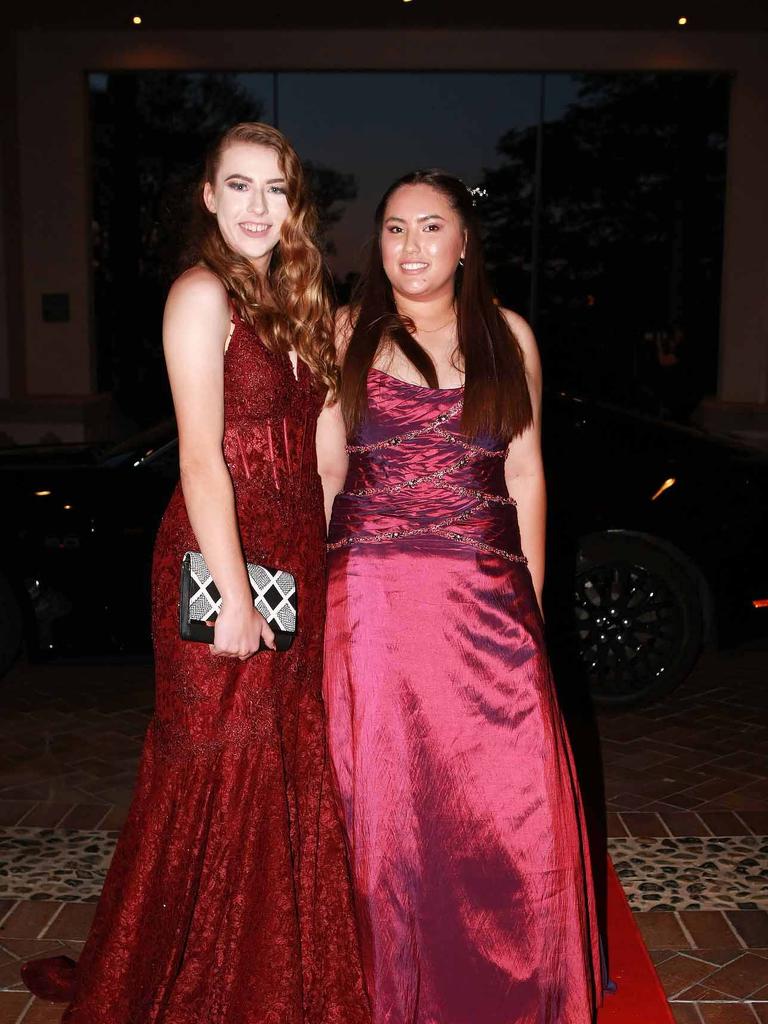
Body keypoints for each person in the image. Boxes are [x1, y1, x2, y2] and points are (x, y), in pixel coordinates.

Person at [22, 123, 369, 1024]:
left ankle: (271, 975)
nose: (259, 206)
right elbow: (202, 458)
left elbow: (326, 457)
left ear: (295, 204)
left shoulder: (297, 301)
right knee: (211, 770)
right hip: (219, 560)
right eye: (239, 186)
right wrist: (239, 592)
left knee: (284, 768)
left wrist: (326, 563)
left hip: (294, 554)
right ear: (209, 198)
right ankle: (193, 980)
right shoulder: (201, 294)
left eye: (276, 189)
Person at [316, 170, 602, 1023]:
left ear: (465, 242)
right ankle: (392, 991)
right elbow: (329, 472)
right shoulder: (344, 331)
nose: (410, 246)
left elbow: (525, 472)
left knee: (506, 803)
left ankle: (512, 983)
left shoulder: (507, 334)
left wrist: (533, 607)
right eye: (395, 229)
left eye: (430, 227)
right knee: (387, 808)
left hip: (485, 598)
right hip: (368, 598)